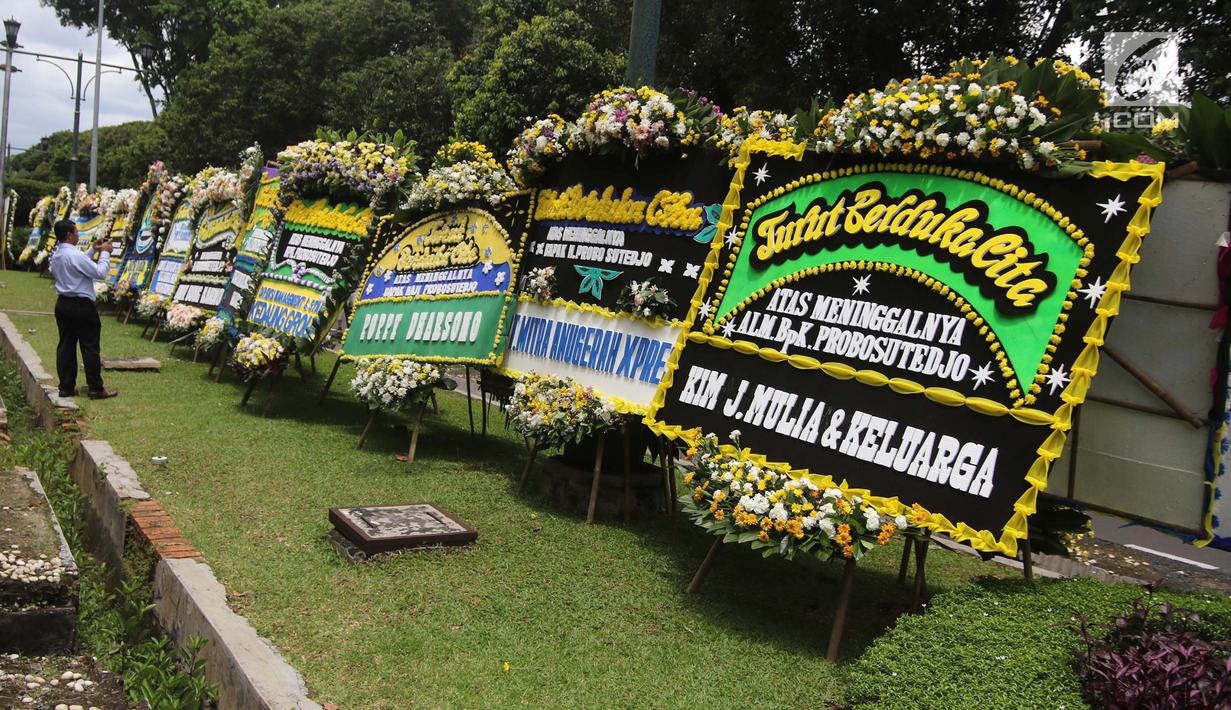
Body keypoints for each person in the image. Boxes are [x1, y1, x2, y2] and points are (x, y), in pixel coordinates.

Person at [48, 219, 118, 399]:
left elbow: (77, 264)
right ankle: (96, 388)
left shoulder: (56, 254)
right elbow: (100, 273)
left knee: (66, 345)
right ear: (69, 235)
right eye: (76, 232)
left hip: (63, 304)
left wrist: (93, 250)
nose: (78, 235)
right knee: (90, 346)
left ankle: (66, 387)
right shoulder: (75, 255)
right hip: (81, 306)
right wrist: (105, 253)